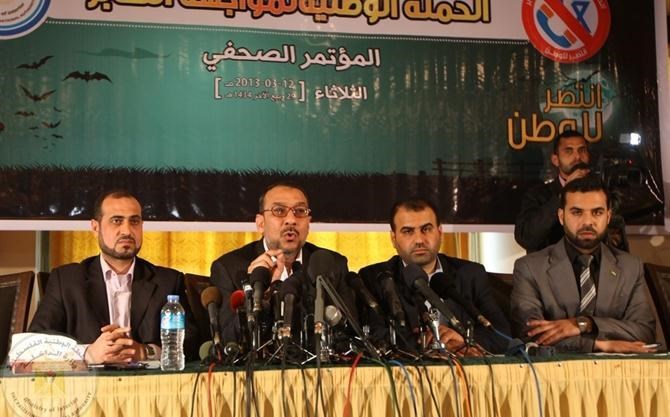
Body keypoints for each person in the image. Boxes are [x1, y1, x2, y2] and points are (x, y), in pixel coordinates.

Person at [29, 190, 198, 364]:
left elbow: (193, 344)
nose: (127, 230)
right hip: (89, 380)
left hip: (147, 379)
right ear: (95, 228)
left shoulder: (167, 281)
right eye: (117, 221)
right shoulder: (66, 281)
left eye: (134, 221)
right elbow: (34, 343)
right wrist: (87, 353)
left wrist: (145, 351)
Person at [510, 176, 656, 353]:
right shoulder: (530, 268)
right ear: (561, 217)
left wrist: (585, 324)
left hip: (622, 370)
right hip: (557, 369)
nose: (587, 222)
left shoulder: (631, 266)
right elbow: (532, 336)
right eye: (577, 212)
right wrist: (600, 345)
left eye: (597, 212)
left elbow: (644, 332)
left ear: (608, 216)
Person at [210, 181, 356, 346]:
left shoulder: (332, 263)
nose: (291, 220)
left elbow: (351, 333)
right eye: (279, 211)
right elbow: (226, 342)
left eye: (300, 211)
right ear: (260, 223)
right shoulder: (229, 268)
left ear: (308, 223)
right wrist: (261, 298)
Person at [358, 197, 510, 355]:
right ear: (393, 238)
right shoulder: (375, 278)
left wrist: (464, 340)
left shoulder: (470, 273)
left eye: (426, 229)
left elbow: (501, 334)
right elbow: (375, 336)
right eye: (408, 231)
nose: (419, 240)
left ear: (440, 232)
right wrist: (432, 345)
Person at [515, 130, 591, 252]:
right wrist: (564, 193)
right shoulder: (537, 195)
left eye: (582, 150)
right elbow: (526, 238)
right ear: (555, 160)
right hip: (548, 262)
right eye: (569, 151)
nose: (577, 157)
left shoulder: (602, 192)